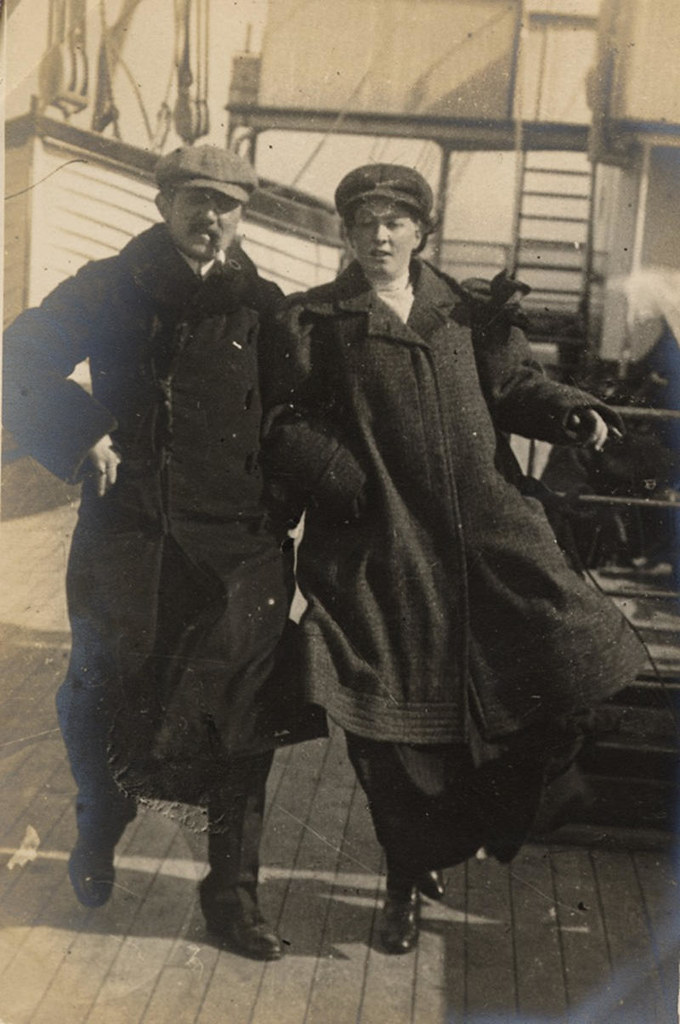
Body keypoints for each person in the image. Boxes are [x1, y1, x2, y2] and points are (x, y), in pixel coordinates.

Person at [261, 163, 648, 955]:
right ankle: (404, 882)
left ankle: (463, 837)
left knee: (563, 680)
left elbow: (519, 388)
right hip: (384, 550)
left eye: (395, 221)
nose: (379, 236)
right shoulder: (315, 322)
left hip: (489, 544)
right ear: (347, 233)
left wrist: (573, 414)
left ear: (421, 231)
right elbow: (283, 420)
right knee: (390, 740)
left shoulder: (469, 316)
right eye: (364, 221)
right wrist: (334, 470)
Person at [2, 144, 317, 961]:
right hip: (129, 533)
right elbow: (18, 356)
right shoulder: (112, 285)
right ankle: (99, 823)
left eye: (227, 205)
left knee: (242, 714)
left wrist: (285, 503)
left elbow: (299, 415)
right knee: (102, 690)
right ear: (163, 204)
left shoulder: (264, 306)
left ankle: (231, 896)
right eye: (193, 200)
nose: (210, 218)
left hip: (238, 549)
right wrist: (81, 431)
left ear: (243, 216)